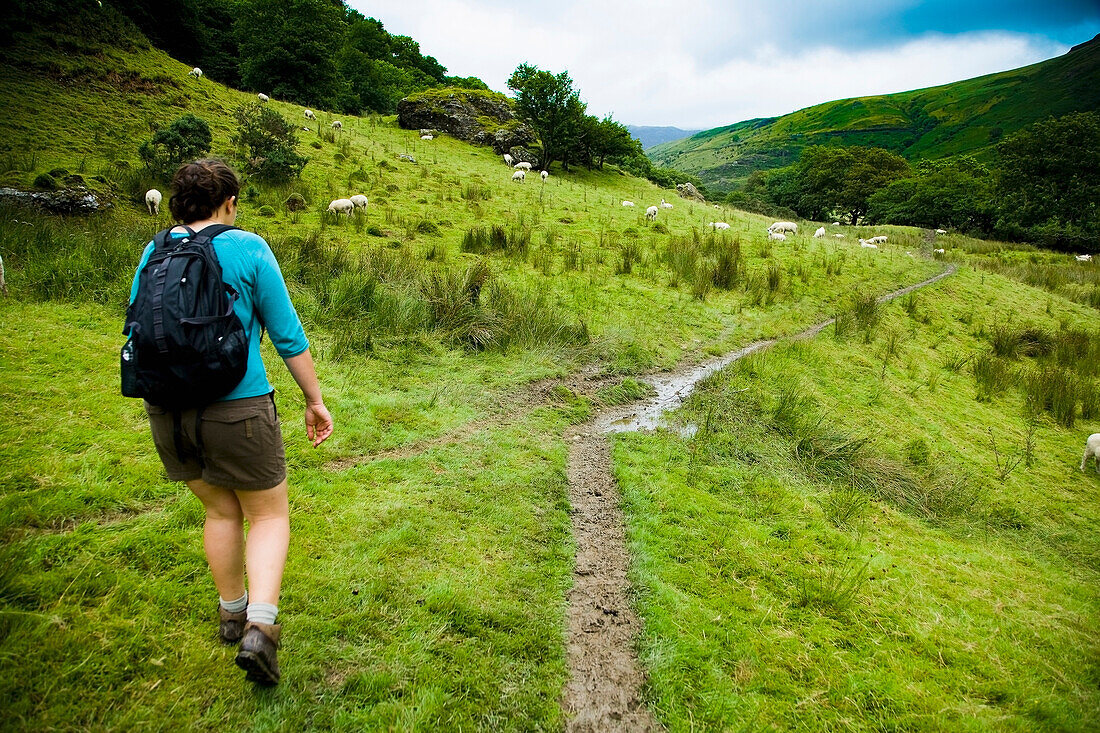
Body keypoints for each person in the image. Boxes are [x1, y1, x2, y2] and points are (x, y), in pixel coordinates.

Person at [128, 159, 333, 686]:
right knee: (267, 515)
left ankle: (229, 614)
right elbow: (287, 335)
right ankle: (260, 630)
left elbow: (138, 329)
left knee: (220, 511)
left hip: (167, 411)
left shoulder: (154, 252)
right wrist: (314, 399)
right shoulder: (248, 247)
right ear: (229, 202)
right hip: (238, 408)